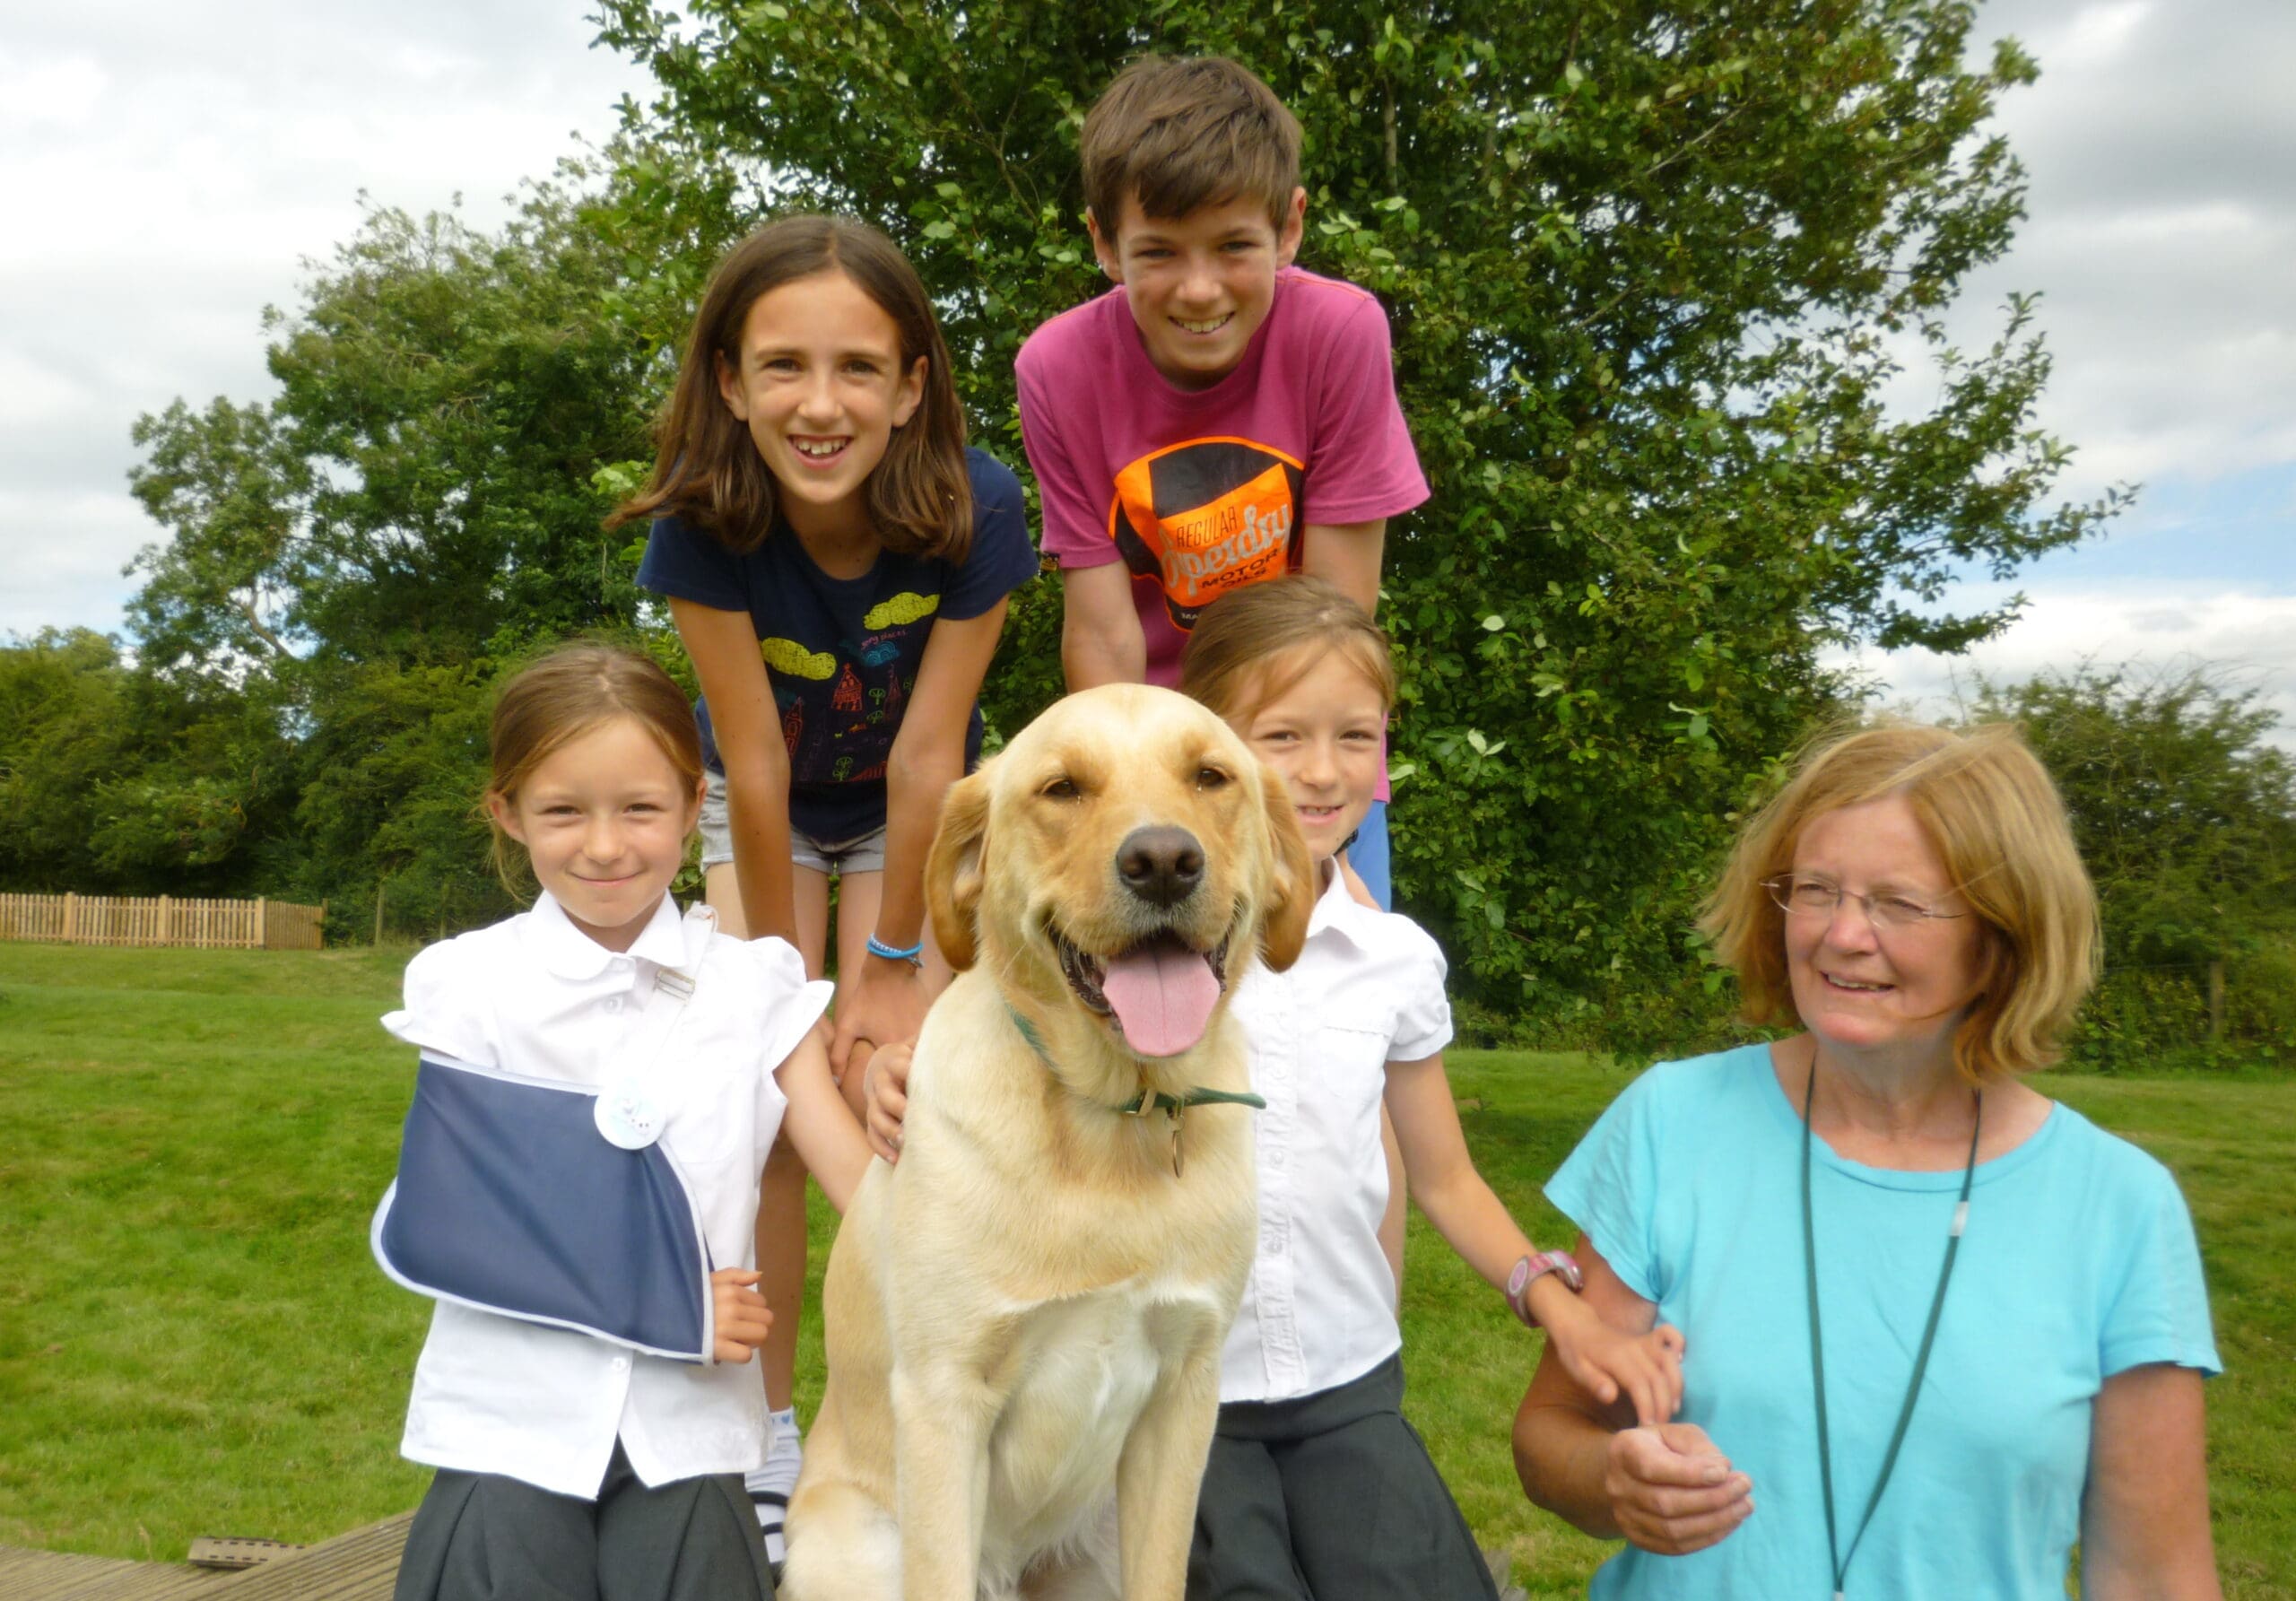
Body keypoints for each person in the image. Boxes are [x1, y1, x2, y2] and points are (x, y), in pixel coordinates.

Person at [867, 578, 1685, 1601]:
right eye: (1280, 739)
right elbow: (1000, 1007)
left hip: (1347, 1380)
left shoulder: (1389, 959)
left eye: (1356, 737)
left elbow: (1439, 1176)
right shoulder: (1106, 957)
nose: (1321, 771)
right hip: (1201, 1397)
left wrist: (1551, 1300)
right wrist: (907, 1065)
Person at [1512, 722, 2223, 1599]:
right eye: (1816, 890)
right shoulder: (1674, 1121)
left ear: (2002, 935)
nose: (1842, 936)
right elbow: (1552, 1435)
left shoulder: (2118, 1208)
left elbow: (2154, 1575)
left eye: (1898, 903)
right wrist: (1615, 1482)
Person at [614, 214, 1037, 1558]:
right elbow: (746, 761)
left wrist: (895, 966)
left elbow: (931, 754)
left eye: (859, 367)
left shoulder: (980, 506)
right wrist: (785, 991)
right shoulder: (702, 524)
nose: (820, 403)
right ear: (730, 380)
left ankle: (912, 1417)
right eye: (781, 366)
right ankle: (766, 1430)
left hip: (922, 820)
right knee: (781, 1109)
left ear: (912, 383)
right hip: (771, 818)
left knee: (900, 1094)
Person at [379, 644, 873, 1601]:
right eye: (564, 810)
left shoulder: (755, 987)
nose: (604, 846)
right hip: (505, 1425)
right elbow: (439, 1223)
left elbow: (865, 1193)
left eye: (640, 808)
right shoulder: (469, 986)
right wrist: (668, 1305)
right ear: (506, 812)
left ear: (694, 809)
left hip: (687, 1434)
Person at [1015, 54, 1429, 913]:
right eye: (1158, 252)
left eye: (1235, 246)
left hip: (1308, 739)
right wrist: (1135, 794)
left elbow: (1334, 616)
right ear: (1102, 241)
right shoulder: (1058, 368)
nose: (1199, 289)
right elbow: (1102, 634)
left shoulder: (1341, 333)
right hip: (1158, 750)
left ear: (1289, 227)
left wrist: (1309, 816)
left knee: (1342, 991)